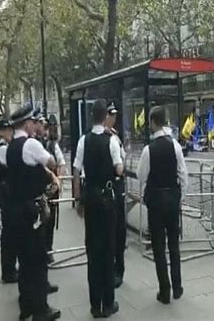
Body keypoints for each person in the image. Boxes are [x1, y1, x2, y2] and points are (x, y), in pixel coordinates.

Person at [6, 103, 61, 321]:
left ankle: (26, 305)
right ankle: (41, 309)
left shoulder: (10, 147)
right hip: (32, 211)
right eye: (33, 122)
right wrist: (47, 172)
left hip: (15, 210)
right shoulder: (30, 145)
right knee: (37, 259)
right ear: (27, 123)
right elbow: (52, 161)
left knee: (25, 260)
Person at [73, 99, 123, 318]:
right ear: (104, 117)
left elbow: (76, 171)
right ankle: (108, 302)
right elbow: (119, 169)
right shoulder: (111, 140)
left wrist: (78, 199)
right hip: (107, 199)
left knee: (93, 252)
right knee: (108, 250)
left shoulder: (83, 140)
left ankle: (95, 305)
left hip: (90, 199)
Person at [137, 106, 187, 305]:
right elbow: (183, 174)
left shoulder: (148, 150)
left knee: (159, 247)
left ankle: (164, 290)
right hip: (172, 200)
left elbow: (141, 175)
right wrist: (180, 197)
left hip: (156, 203)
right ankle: (178, 286)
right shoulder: (175, 146)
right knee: (174, 244)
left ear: (152, 122)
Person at [0, 119, 18, 283]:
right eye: (7, 130)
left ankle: (9, 267)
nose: (10, 133)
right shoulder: (2, 149)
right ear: (1, 132)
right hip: (6, 193)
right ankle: (8, 270)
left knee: (10, 232)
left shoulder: (5, 147)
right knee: (9, 233)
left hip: (7, 192)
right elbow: (13, 166)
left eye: (11, 129)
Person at [105, 102, 126, 288]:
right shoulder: (104, 138)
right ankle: (111, 268)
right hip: (111, 184)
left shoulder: (115, 136)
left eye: (115, 116)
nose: (114, 119)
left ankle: (119, 268)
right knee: (111, 230)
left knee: (119, 230)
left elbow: (124, 156)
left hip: (118, 187)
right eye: (111, 116)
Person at [42, 115, 67, 264]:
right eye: (46, 127)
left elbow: (62, 164)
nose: (48, 131)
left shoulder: (52, 145)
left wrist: (58, 182)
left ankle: (48, 250)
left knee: (50, 221)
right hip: (38, 190)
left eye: (50, 127)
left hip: (51, 189)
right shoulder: (32, 143)